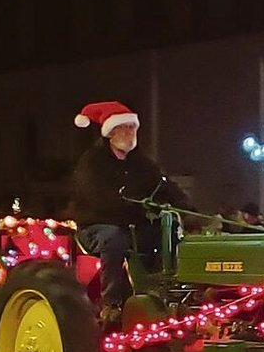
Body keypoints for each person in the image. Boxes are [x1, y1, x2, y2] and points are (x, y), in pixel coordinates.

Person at [68, 100, 188, 321]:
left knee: (167, 232)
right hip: (97, 225)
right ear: (111, 132)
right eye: (124, 127)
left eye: (133, 127)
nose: (130, 132)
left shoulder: (142, 164)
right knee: (114, 239)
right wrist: (136, 206)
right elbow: (99, 199)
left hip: (133, 224)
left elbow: (166, 188)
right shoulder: (92, 163)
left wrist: (190, 211)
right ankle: (111, 304)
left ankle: (162, 289)